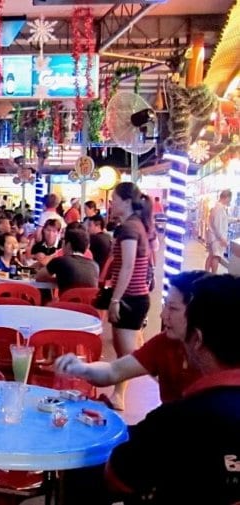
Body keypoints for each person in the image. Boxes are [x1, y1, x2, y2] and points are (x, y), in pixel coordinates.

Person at [105, 274, 240, 503]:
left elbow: (118, 477)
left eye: (174, 308)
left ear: (196, 338)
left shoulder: (176, 420)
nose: (164, 315)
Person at [55, 270, 206, 405]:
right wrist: (82, 368)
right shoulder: (164, 343)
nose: (163, 315)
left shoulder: (218, 357)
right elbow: (113, 371)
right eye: (165, 306)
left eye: (172, 308)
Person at [104, 181, 153, 410]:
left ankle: (119, 396)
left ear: (125, 201)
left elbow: (128, 265)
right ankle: (117, 395)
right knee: (123, 350)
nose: (111, 204)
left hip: (130, 298)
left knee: (126, 354)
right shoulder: (137, 224)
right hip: (134, 296)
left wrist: (115, 299)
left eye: (114, 199)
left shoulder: (130, 228)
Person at [36, 226, 99, 292]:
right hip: (87, 302)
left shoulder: (60, 261)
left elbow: (39, 277)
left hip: (65, 301)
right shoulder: (95, 265)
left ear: (68, 244)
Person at [206, 189, 233, 273]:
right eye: (230, 199)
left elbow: (224, 220)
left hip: (213, 237)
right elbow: (217, 226)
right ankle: (213, 276)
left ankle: (206, 274)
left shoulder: (217, 207)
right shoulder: (219, 208)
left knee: (211, 256)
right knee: (216, 257)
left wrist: (236, 219)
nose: (230, 201)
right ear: (227, 198)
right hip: (216, 238)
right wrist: (222, 238)